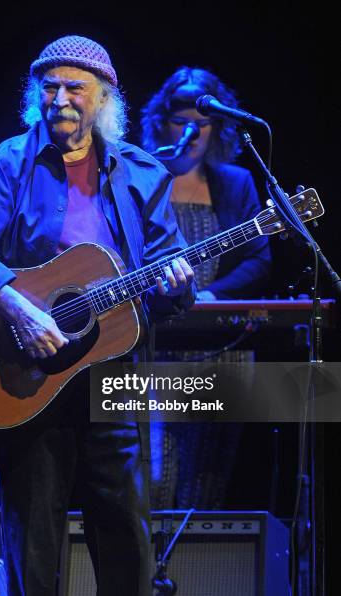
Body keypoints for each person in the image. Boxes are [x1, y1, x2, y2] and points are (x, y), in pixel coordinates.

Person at [0, 36, 196, 596]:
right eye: (48, 87)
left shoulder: (142, 174)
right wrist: (19, 308)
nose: (60, 99)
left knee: (127, 536)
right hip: (27, 375)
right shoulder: (9, 162)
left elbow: (163, 278)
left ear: (103, 98)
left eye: (74, 88)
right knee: (33, 546)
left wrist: (178, 284)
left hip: (112, 371)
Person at [141, 67, 271, 510]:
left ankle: (196, 577)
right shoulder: (141, 177)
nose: (191, 131)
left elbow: (260, 257)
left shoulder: (236, 182)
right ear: (162, 122)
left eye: (203, 121)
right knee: (154, 476)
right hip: (153, 346)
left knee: (207, 481)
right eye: (181, 120)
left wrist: (214, 295)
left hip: (220, 348)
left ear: (218, 126)